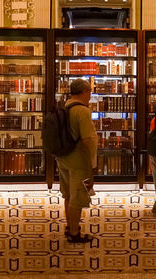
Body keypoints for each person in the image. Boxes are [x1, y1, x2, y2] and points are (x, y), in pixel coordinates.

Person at [57, 79, 97, 243]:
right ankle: (74, 233)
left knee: (68, 195)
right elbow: (87, 139)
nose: (90, 95)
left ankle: (70, 226)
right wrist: (91, 163)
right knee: (78, 197)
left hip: (63, 157)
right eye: (90, 92)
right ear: (85, 92)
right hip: (79, 160)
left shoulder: (64, 107)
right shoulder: (82, 111)